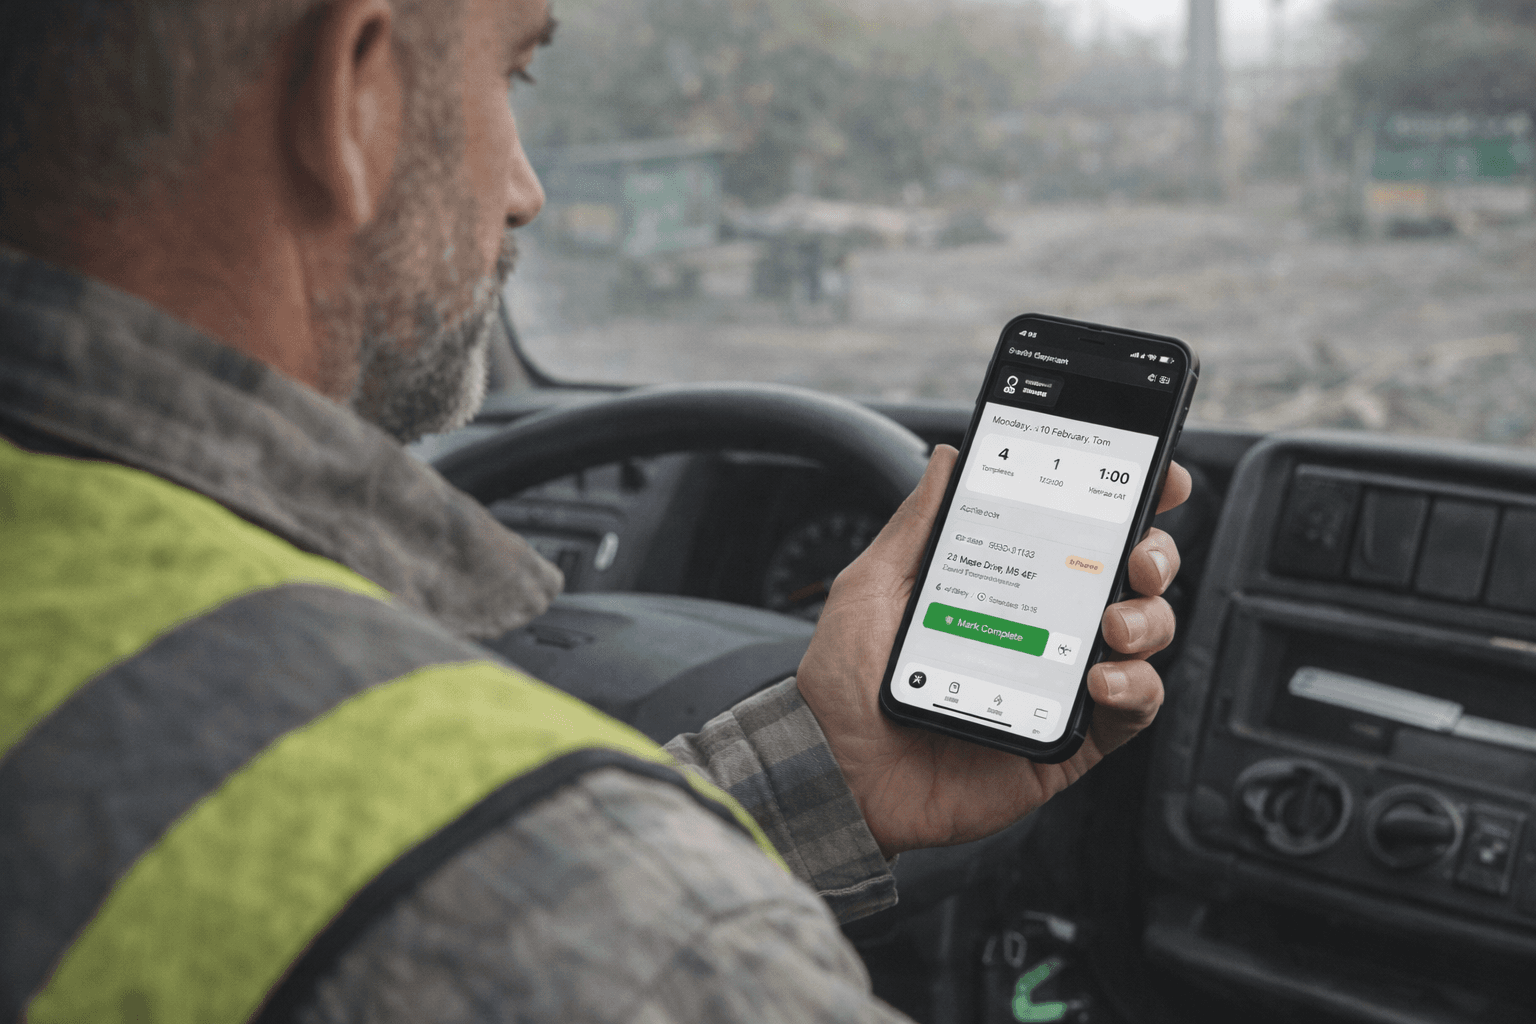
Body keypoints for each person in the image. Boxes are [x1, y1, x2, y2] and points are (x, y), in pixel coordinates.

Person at [0, 0, 1189, 1020]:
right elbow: (536, 917)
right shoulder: (658, 944)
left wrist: (817, 771)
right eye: (512, 73)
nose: (527, 192)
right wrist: (649, 879)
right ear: (351, 94)